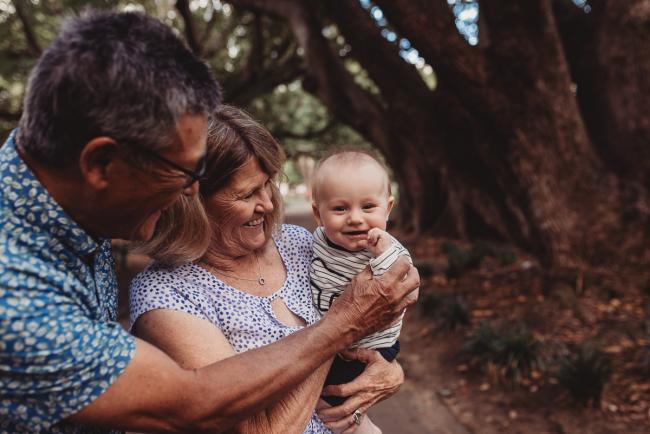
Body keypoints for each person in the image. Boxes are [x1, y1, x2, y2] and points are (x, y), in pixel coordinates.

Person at [0, 11, 418, 434]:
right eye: (184, 174)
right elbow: (191, 404)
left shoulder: (72, 208)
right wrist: (341, 326)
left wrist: (386, 370)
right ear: (102, 164)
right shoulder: (14, 291)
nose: (187, 193)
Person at [129, 106, 399, 433]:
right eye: (247, 194)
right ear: (194, 203)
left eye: (267, 184)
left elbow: (370, 333)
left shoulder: (299, 243)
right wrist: (339, 326)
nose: (268, 204)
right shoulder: (166, 294)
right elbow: (259, 429)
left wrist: (391, 371)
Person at [310, 150, 415, 406]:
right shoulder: (315, 242)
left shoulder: (388, 251)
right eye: (339, 208)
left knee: (334, 405)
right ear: (318, 213)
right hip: (327, 345)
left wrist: (383, 258)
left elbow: (410, 291)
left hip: (369, 349)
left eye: (368, 207)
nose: (355, 219)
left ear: (388, 208)